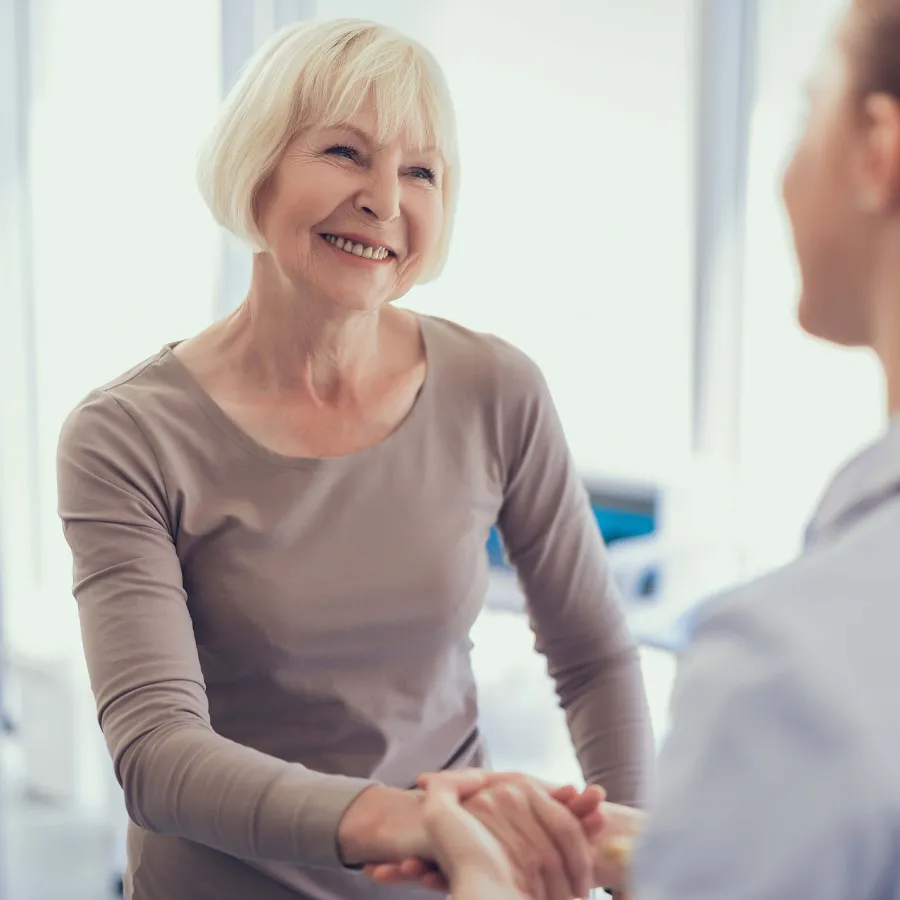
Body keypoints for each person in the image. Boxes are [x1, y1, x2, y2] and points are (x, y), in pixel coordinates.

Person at [55, 17, 652, 900]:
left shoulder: (496, 388)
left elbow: (595, 654)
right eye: (344, 152)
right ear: (255, 168)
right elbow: (157, 752)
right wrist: (405, 819)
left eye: (420, 171)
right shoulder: (127, 436)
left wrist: (644, 857)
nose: (384, 199)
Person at [372, 0, 900, 896]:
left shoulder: (790, 670)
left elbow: (594, 653)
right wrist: (647, 846)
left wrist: (487, 876)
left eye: (808, 104)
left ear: (877, 152)